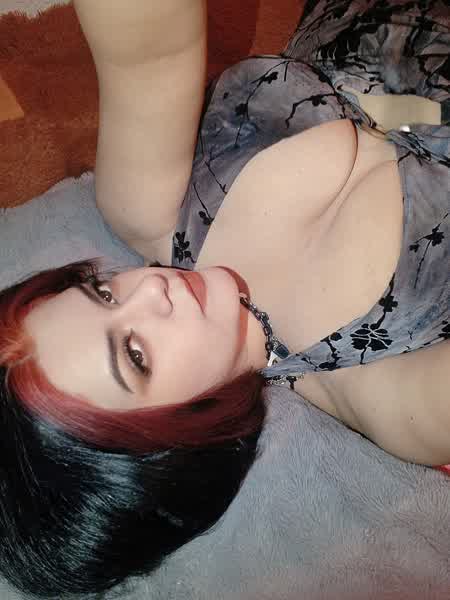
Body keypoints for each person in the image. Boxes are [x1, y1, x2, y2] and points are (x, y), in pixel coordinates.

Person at [0, 0, 448, 596]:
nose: (147, 288)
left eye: (101, 292)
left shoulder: (148, 211)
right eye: (135, 354)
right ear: (177, 448)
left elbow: (148, 49)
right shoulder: (390, 401)